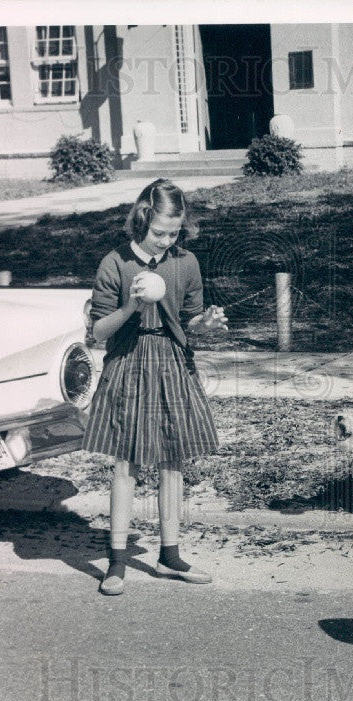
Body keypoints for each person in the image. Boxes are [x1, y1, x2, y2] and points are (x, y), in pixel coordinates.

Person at [83, 178, 228, 596]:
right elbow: (98, 332)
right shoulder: (115, 262)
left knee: (172, 461)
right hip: (128, 362)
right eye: (159, 233)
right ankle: (116, 562)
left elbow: (191, 320)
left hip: (172, 363)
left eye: (175, 233)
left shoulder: (186, 262)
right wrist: (132, 305)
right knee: (126, 463)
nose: (167, 241)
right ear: (142, 219)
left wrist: (207, 325)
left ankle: (169, 556)